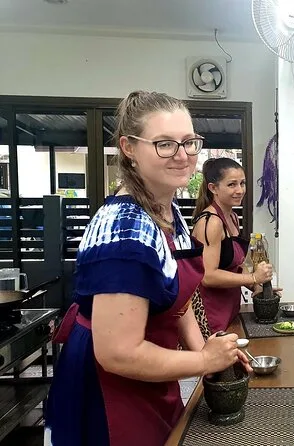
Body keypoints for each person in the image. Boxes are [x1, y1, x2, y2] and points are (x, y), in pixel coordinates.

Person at [44, 91, 251, 446]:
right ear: (129, 148)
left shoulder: (169, 211)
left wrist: (209, 354)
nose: (182, 155)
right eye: (164, 144)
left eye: (189, 142)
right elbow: (118, 353)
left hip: (153, 377)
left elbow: (181, 301)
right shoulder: (124, 229)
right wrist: (203, 361)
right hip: (110, 394)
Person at [190, 157, 274, 336]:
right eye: (231, 184)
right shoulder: (211, 222)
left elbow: (234, 266)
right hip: (209, 312)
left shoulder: (233, 218)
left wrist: (257, 286)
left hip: (230, 307)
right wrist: (253, 277)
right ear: (213, 188)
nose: (240, 190)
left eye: (242, 183)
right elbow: (208, 276)